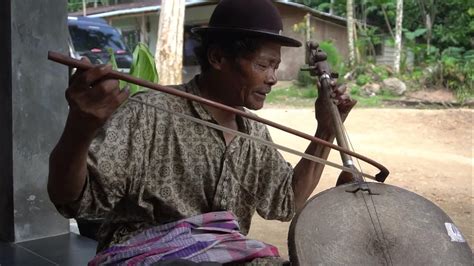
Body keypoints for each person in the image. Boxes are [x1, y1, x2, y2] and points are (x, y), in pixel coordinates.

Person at [48, 0, 355, 264]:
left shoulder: (254, 133)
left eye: (275, 66)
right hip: (143, 257)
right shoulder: (149, 112)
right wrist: (79, 128)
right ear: (217, 58)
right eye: (264, 64)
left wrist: (326, 130)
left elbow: (287, 202)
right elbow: (71, 199)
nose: (273, 78)